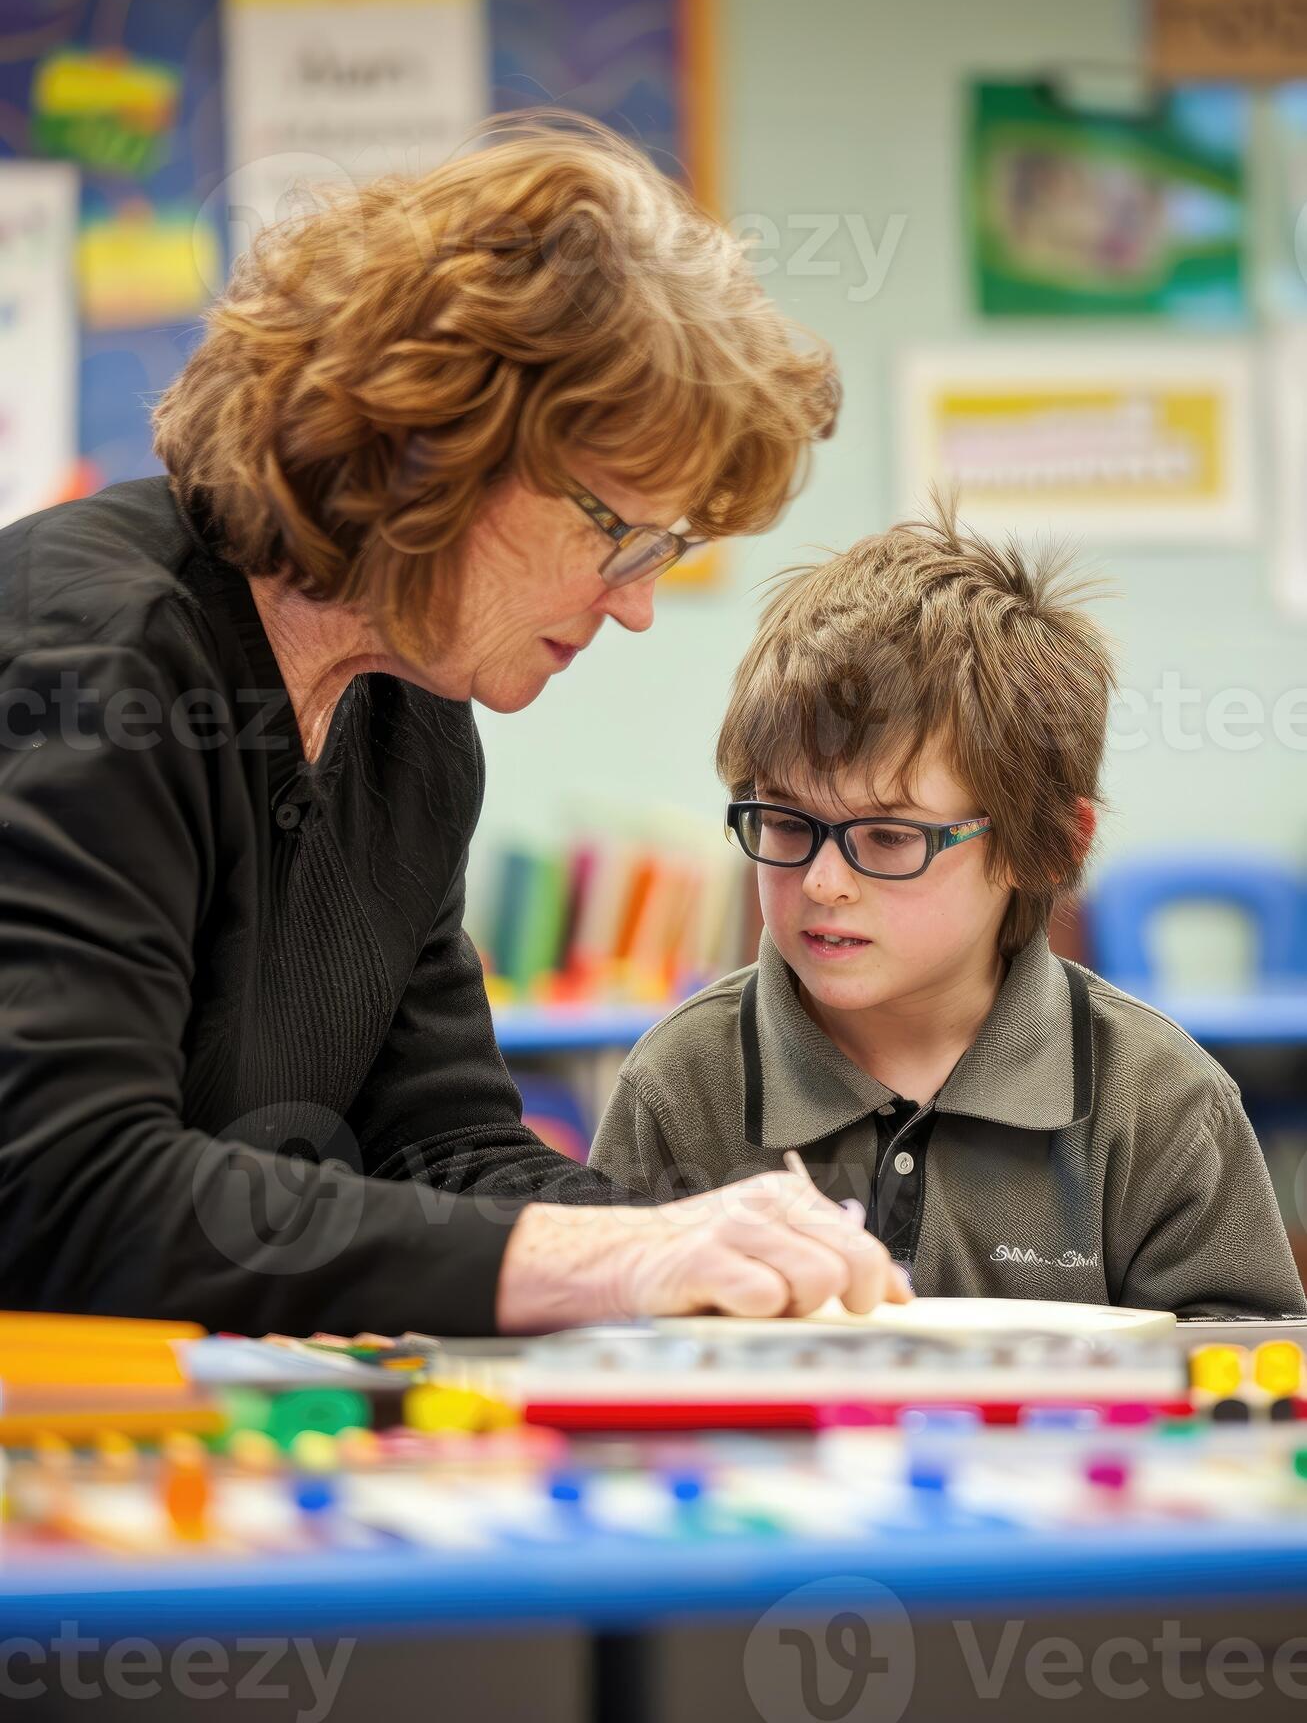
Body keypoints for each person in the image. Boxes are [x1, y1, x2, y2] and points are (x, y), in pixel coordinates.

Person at [0, 116, 911, 1337]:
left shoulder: (408, 716)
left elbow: (440, 1141)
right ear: (436, 449)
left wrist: (688, 1258)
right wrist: (600, 1261)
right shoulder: (89, 654)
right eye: (620, 535)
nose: (636, 604)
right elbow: (65, 1190)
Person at [591, 505, 1307, 1317]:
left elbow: (1247, 1380)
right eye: (787, 823)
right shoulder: (678, 1085)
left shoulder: (1162, 1102)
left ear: (1044, 846)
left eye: (890, 836)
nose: (823, 882)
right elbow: (612, 1357)